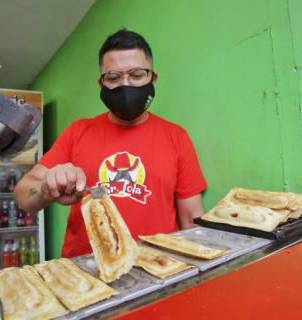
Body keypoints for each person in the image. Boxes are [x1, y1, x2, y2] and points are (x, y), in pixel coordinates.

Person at [14, 29, 207, 258]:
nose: (126, 85)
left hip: (159, 271)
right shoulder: (77, 132)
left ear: (153, 79)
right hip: (86, 274)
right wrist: (47, 189)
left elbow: (191, 221)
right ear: (101, 84)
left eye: (136, 75)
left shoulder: (176, 136)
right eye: (114, 78)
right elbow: (23, 195)